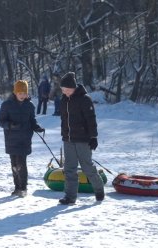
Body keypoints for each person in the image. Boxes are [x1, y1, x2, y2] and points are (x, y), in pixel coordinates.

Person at [58, 72, 104, 205]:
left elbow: (91, 119)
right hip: (68, 139)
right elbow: (63, 119)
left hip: (83, 139)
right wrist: (64, 134)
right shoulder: (64, 100)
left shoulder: (85, 99)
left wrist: (93, 136)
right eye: (63, 90)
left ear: (73, 87)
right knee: (69, 168)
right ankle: (70, 197)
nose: (64, 92)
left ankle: (99, 189)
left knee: (87, 167)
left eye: (66, 90)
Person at [0, 80, 45, 197]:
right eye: (20, 93)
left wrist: (36, 127)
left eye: (24, 93)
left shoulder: (30, 106)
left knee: (21, 164)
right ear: (15, 92)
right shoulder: (6, 105)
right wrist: (10, 125)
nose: (22, 95)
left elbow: (32, 120)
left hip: (24, 138)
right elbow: (1, 121)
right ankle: (17, 187)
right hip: (11, 139)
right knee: (14, 164)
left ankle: (23, 188)